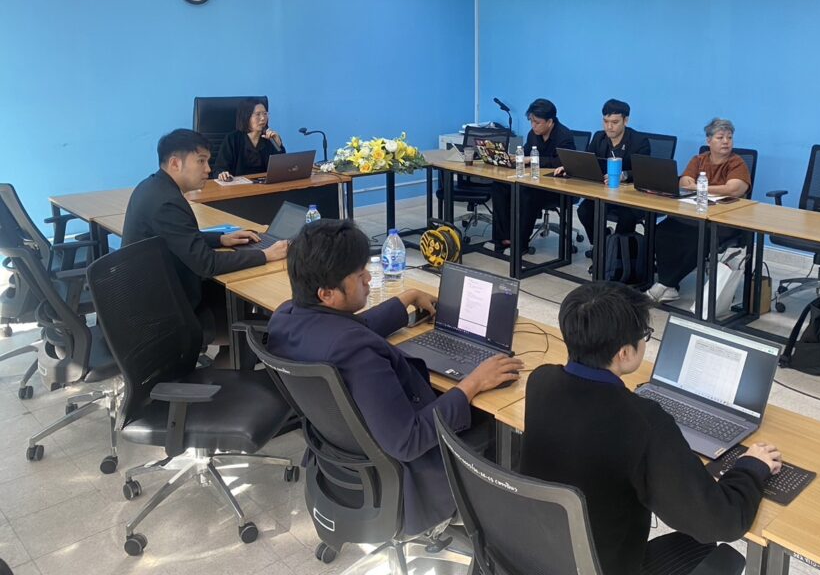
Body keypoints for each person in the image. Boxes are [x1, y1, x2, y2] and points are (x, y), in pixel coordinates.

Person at [267, 218, 523, 535]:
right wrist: (473, 383)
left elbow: (346, 329)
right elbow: (408, 441)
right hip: (411, 475)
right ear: (327, 294)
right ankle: (498, 530)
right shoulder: (357, 354)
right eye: (359, 275)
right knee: (506, 422)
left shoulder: (285, 318)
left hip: (345, 456)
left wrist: (406, 299)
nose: (368, 278)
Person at [520, 281, 780, 575]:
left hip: (538, 555)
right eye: (644, 335)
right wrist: (751, 467)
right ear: (624, 353)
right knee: (712, 547)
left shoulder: (540, 381)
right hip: (603, 566)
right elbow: (721, 521)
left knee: (695, 545)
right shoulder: (643, 421)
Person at [122, 128, 288, 345]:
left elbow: (178, 236)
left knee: (236, 299)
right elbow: (207, 264)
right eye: (201, 161)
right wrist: (266, 255)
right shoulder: (167, 203)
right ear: (175, 163)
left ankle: (231, 358)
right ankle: (236, 359)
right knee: (256, 324)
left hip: (158, 294)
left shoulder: (152, 187)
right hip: (167, 315)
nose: (208, 169)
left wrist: (221, 239)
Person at [647, 118, 751, 302]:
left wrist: (700, 187)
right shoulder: (699, 159)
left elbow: (735, 188)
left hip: (722, 220)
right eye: (720, 137)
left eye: (729, 137)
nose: (726, 141)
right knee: (663, 230)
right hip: (694, 215)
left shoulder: (736, 162)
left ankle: (666, 283)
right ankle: (669, 284)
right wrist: (694, 184)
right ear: (708, 140)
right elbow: (684, 181)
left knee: (697, 238)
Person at [558, 98, 651, 255]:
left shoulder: (640, 141)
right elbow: (587, 161)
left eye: (614, 122)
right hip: (604, 193)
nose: (609, 127)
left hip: (630, 198)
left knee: (627, 217)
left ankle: (617, 255)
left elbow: (645, 171)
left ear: (625, 120)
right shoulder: (599, 138)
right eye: (606, 121)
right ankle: (602, 245)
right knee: (584, 211)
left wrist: (624, 175)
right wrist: (570, 167)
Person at [489, 98, 576, 252]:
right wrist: (515, 157)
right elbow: (526, 151)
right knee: (500, 186)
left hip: (556, 188)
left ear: (550, 122)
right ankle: (502, 238)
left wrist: (531, 159)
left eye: (537, 122)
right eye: (531, 121)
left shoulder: (564, 136)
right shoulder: (533, 134)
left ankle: (520, 243)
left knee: (525, 192)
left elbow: (561, 162)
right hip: (534, 181)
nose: (533, 125)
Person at [213, 98, 286, 180]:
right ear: (246, 117)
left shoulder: (270, 138)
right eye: (258, 114)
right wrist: (222, 174)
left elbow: (282, 170)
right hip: (239, 186)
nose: (263, 118)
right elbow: (219, 169)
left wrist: (278, 145)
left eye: (265, 113)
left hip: (265, 185)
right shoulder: (232, 139)